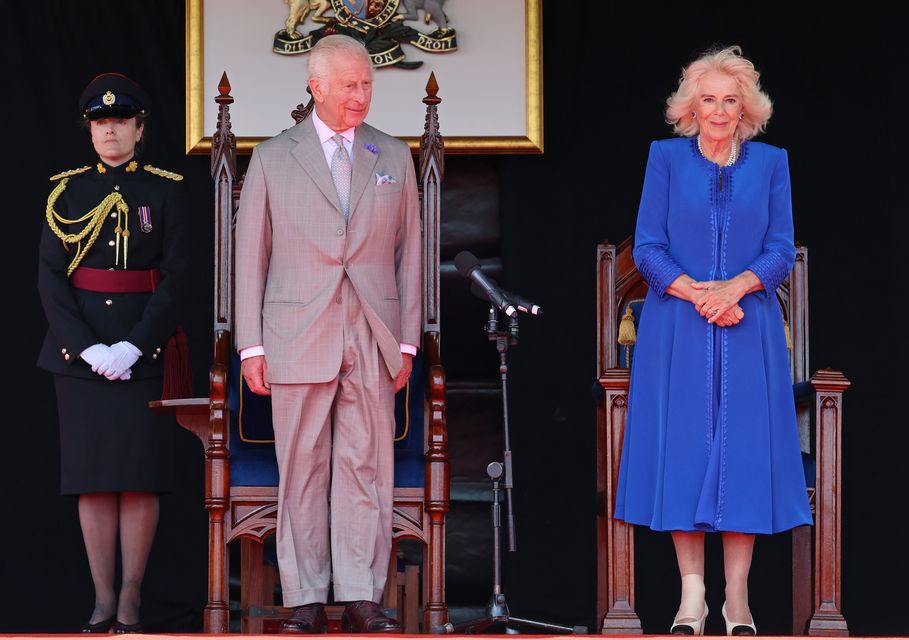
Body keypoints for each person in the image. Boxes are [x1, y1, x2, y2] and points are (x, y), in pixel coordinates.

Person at [614, 46, 812, 636]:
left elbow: (781, 249)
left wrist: (736, 290)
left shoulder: (771, 162)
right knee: (686, 452)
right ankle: (691, 601)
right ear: (689, 109)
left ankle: (739, 603)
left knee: (742, 456)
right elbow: (647, 246)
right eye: (709, 100)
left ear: (746, 108)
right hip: (677, 325)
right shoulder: (666, 159)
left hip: (749, 329)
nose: (720, 111)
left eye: (731, 100)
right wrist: (699, 293)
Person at [235, 35, 421, 634]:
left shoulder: (392, 155)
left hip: (373, 333)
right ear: (315, 85)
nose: (360, 95)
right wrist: (252, 346)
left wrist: (407, 341)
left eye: (367, 84)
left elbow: (410, 256)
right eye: (348, 85)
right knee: (303, 468)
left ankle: (365, 595)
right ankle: (306, 596)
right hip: (294, 333)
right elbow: (250, 260)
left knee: (367, 466)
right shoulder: (271, 158)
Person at [37, 73, 190, 634]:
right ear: (90, 130)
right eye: (100, 123)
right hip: (78, 357)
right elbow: (51, 283)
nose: (109, 131)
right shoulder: (66, 191)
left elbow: (176, 278)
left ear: (139, 128)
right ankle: (102, 601)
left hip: (142, 350)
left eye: (120, 121)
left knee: (139, 476)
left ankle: (131, 600)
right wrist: (89, 348)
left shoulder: (165, 188)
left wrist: (133, 345)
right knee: (93, 477)